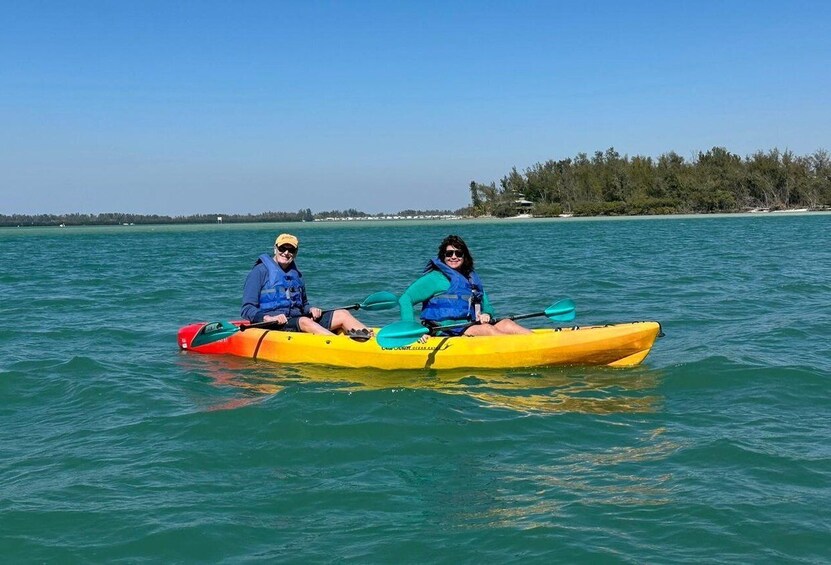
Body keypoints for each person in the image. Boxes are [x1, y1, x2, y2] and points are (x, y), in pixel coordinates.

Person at [398, 234, 532, 341]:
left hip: (468, 325)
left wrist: (487, 314)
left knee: (507, 323)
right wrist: (411, 331)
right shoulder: (434, 278)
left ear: (464, 256)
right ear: (443, 256)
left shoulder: (471, 279)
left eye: (458, 253)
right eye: (449, 253)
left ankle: (539, 340)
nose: (454, 257)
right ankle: (525, 349)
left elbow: (487, 305)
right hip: (444, 329)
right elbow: (405, 299)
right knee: (487, 330)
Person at [241, 233, 372, 338]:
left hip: (298, 320)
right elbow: (247, 309)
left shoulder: (296, 275)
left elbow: (303, 305)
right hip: (273, 324)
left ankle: (370, 339)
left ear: (296, 253)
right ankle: (340, 346)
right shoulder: (259, 272)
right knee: (305, 321)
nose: (286, 253)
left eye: (291, 249)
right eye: (282, 248)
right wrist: (268, 317)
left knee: (342, 313)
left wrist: (311, 309)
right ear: (275, 249)